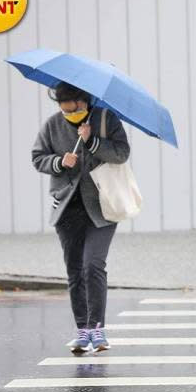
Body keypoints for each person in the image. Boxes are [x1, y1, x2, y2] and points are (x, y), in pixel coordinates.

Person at [31, 82, 130, 354]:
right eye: (64, 111)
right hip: (67, 210)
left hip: (101, 208)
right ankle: (82, 330)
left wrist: (92, 142)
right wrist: (59, 162)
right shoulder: (53, 125)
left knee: (93, 266)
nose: (70, 115)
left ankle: (97, 329)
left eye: (74, 110)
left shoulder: (106, 120)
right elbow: (37, 157)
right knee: (75, 271)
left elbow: (122, 153)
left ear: (85, 102)